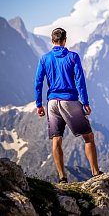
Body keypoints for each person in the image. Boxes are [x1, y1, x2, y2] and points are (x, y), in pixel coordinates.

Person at [35, 27, 102, 183]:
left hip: (52, 103)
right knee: (88, 137)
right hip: (69, 101)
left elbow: (38, 82)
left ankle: (62, 177)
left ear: (52, 41)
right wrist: (85, 102)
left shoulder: (44, 59)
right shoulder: (73, 57)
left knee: (56, 139)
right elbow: (80, 81)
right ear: (65, 40)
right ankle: (95, 173)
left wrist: (39, 104)